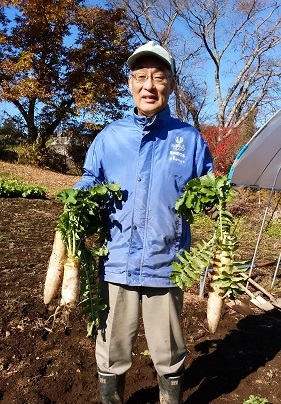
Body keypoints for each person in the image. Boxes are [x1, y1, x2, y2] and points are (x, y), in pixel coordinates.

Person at [74, 40, 213, 403]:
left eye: (159, 76)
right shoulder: (110, 137)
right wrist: (80, 199)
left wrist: (218, 199)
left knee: (168, 352)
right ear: (130, 83)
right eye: (141, 76)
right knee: (111, 349)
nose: (149, 85)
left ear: (170, 83)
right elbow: (91, 178)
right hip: (116, 261)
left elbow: (209, 187)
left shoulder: (190, 139)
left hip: (166, 265)